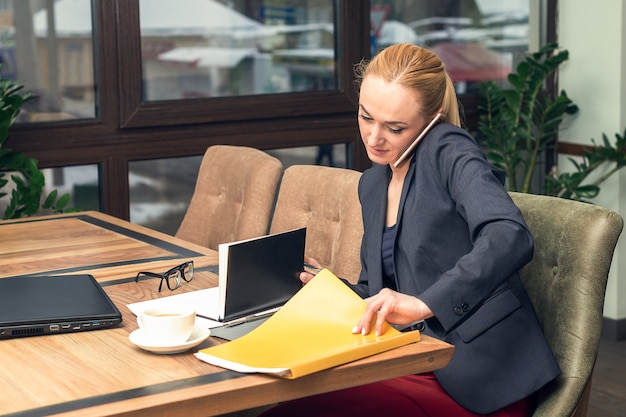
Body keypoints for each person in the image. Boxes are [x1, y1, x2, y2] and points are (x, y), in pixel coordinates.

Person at [259, 43, 560, 417]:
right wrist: (330, 286)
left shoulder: (449, 150)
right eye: (366, 117)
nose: (373, 138)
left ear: (431, 121)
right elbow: (380, 291)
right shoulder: (372, 185)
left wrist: (425, 303)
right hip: (409, 358)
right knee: (296, 401)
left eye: (395, 127)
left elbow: (509, 233)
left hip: (479, 375)